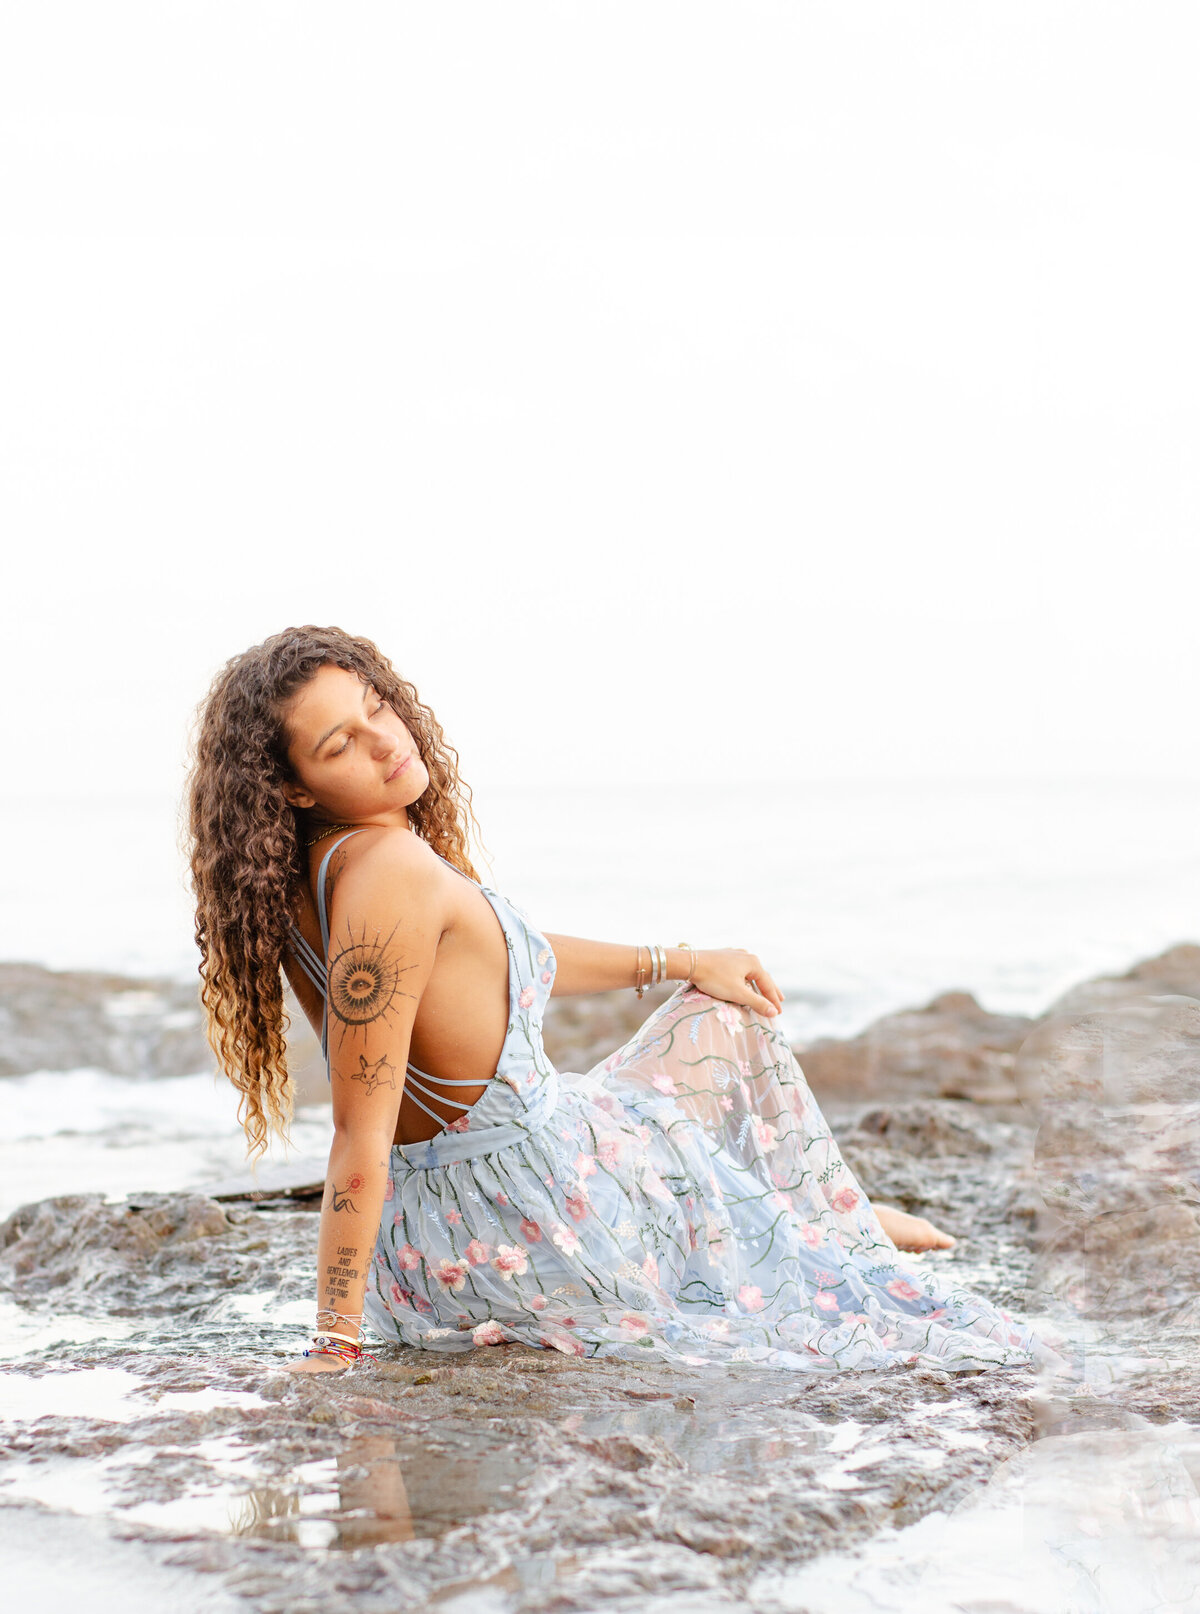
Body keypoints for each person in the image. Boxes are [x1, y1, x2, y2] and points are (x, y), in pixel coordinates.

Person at [187, 625, 1056, 1377]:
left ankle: (819, 1212)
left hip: (437, 1237)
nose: (385, 740)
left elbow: (500, 962)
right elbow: (358, 1131)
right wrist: (335, 1344)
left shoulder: (318, 868)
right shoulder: (395, 873)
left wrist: (679, 959)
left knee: (693, 1017)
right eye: (341, 743)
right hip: (536, 1224)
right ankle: (822, 1223)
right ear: (295, 787)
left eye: (377, 704)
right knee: (725, 1029)